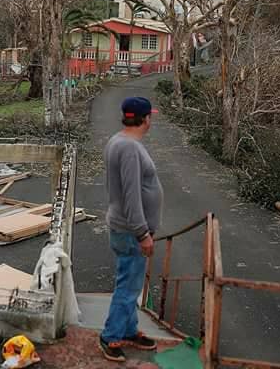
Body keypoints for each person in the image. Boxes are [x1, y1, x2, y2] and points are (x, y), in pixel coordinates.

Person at [99, 96, 164, 362]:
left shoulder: (120, 141)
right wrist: (142, 233)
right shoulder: (129, 148)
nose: (151, 121)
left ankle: (127, 329)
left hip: (126, 227)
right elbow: (131, 195)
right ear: (145, 119)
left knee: (131, 284)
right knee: (128, 287)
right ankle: (110, 336)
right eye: (150, 116)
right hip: (130, 230)